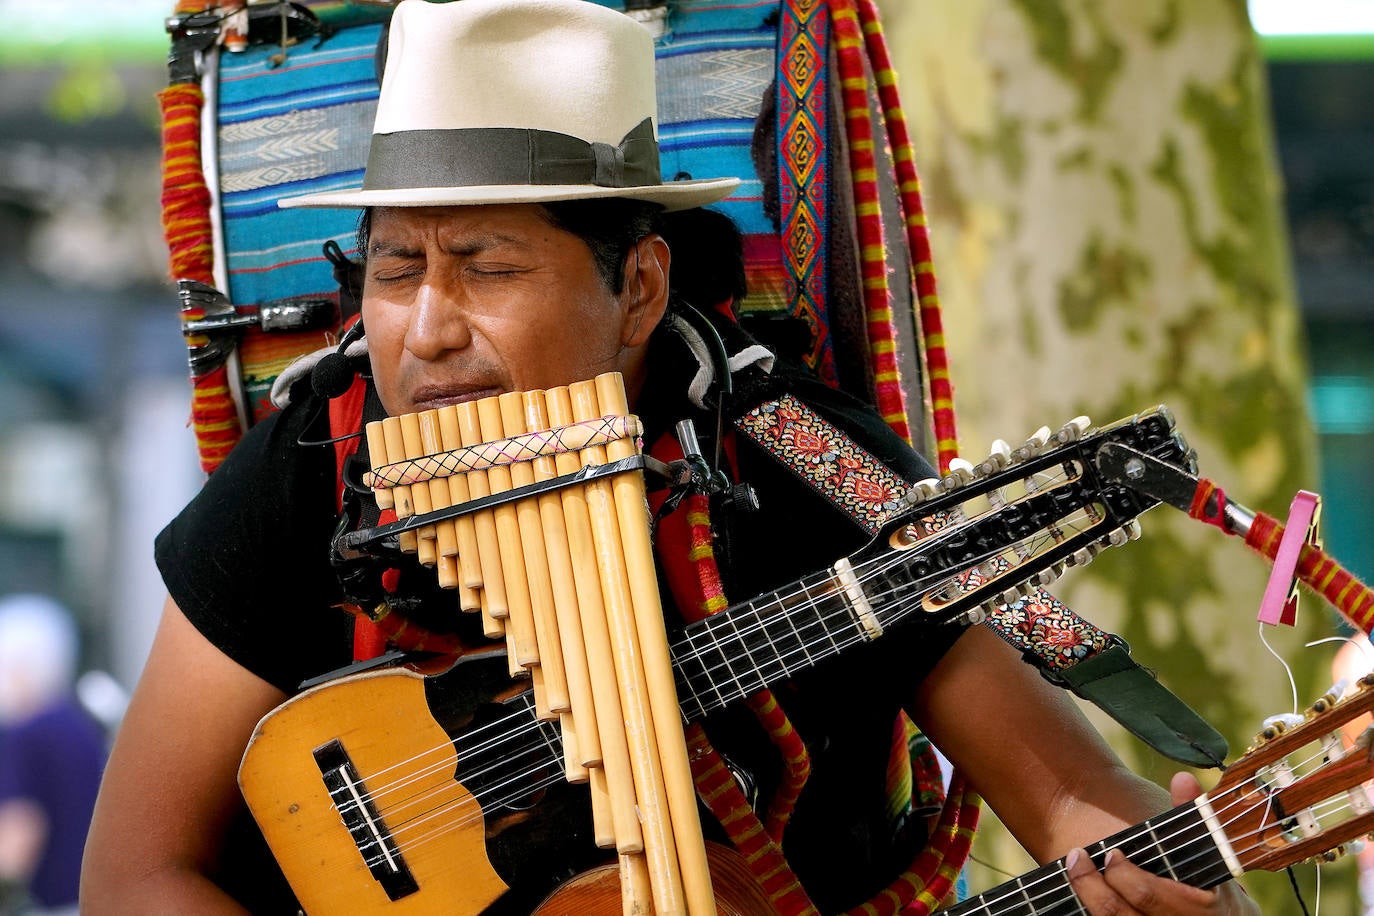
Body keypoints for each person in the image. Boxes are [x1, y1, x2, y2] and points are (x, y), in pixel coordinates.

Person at [81, 1, 1258, 913]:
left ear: (638, 286)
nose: (428, 327)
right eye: (395, 268)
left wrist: (1168, 867)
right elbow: (137, 874)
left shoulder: (806, 460)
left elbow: (1071, 801)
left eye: (486, 265)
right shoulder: (324, 456)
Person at [0, 593, 107, 916]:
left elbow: (20, 833)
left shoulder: (26, 733)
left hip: (45, 906)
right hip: (90, 899)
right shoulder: (79, 725)